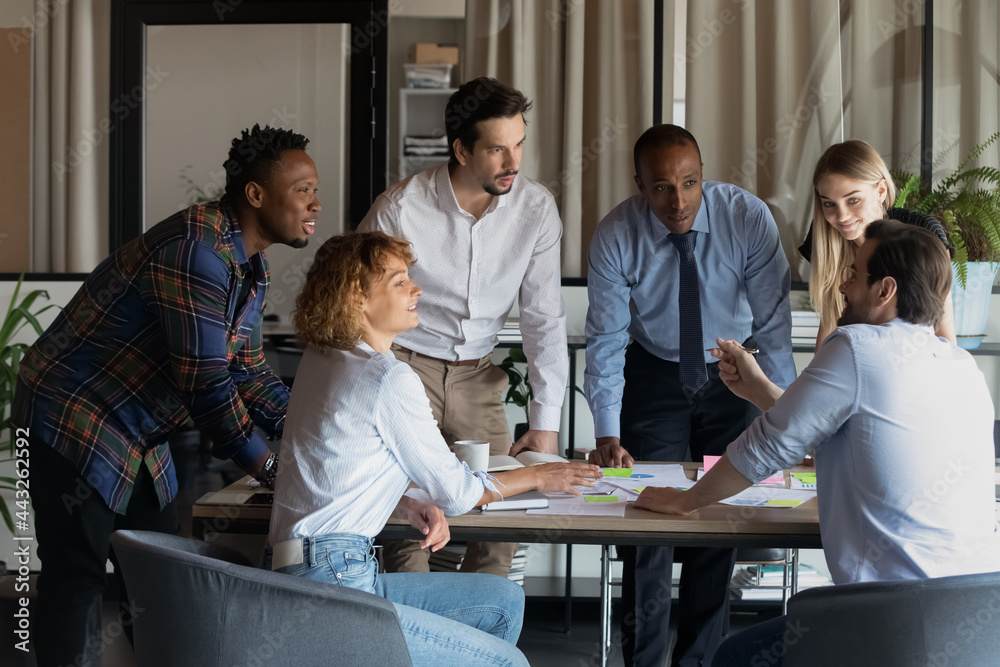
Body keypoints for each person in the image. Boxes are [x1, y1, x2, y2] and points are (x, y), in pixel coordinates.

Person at [11, 124, 318, 667]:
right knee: (77, 572)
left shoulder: (250, 267)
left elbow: (246, 370)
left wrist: (314, 425)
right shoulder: (195, 252)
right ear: (255, 194)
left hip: (139, 430)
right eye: (303, 189)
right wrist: (271, 468)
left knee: (155, 571)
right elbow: (205, 384)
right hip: (73, 413)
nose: (316, 202)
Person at [635, 219, 1000, 666]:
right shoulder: (962, 366)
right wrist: (758, 391)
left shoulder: (856, 345)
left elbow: (765, 448)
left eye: (855, 274)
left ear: (885, 290)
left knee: (736, 657)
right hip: (981, 618)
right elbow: (836, 427)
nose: (843, 285)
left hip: (894, 617)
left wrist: (686, 501)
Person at [266, 231, 600, 666]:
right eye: (399, 282)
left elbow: (336, 471)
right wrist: (537, 475)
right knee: (509, 662)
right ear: (358, 298)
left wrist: (406, 505)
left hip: (308, 568)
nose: (416, 289)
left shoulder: (324, 357)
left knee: (501, 599)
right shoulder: (386, 376)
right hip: (334, 579)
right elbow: (458, 494)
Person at [585, 124, 796, 667]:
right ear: (639, 184)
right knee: (647, 517)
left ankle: (699, 661)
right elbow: (606, 337)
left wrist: (790, 419)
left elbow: (772, 326)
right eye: (660, 187)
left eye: (689, 182)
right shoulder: (615, 234)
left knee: (717, 511)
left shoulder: (746, 217)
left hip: (733, 370)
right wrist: (607, 431)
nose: (676, 200)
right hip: (655, 371)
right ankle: (644, 661)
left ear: (704, 176)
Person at [359, 77, 568, 577]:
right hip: (405, 370)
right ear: (460, 148)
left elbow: (543, 317)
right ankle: (412, 646)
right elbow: (356, 304)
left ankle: (479, 649)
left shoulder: (536, 209)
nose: (513, 162)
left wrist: (545, 424)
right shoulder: (400, 208)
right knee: (412, 519)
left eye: (519, 144)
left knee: (501, 520)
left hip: (478, 376)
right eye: (497, 149)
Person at [799, 139, 956, 349]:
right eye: (829, 203)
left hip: (915, 362)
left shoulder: (923, 233)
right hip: (855, 359)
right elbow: (829, 323)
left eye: (853, 200)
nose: (842, 215)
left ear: (881, 191)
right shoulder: (824, 237)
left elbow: (943, 325)